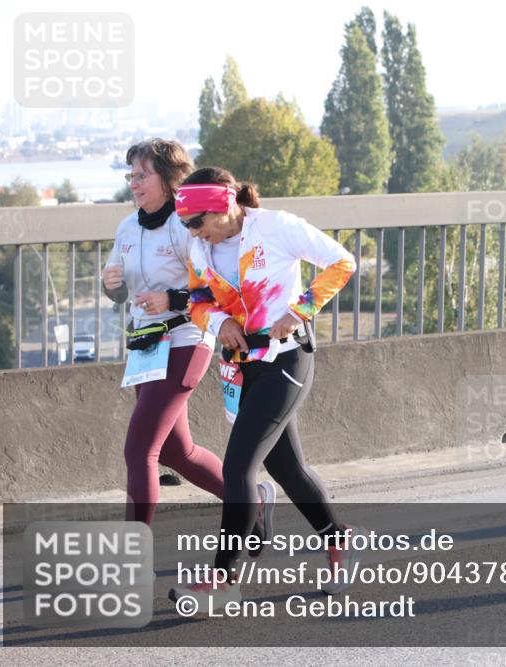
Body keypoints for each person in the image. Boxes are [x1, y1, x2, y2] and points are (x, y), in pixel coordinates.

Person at [167, 167, 366, 608]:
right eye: (185, 223)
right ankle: (340, 539)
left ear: (224, 204)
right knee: (288, 469)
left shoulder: (276, 227)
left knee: (238, 468)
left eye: (197, 221)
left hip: (287, 359)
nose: (192, 231)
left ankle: (223, 580)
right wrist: (219, 322)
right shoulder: (200, 246)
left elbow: (342, 262)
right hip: (241, 367)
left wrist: (300, 310)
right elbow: (197, 300)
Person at [102, 140, 276, 540]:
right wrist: (110, 285)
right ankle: (251, 502)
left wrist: (172, 299)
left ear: (168, 179)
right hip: (146, 346)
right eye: (131, 175)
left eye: (142, 175)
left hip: (186, 339)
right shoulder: (127, 227)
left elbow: (216, 289)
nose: (134, 183)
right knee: (174, 451)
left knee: (139, 451)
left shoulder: (189, 226)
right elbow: (119, 291)